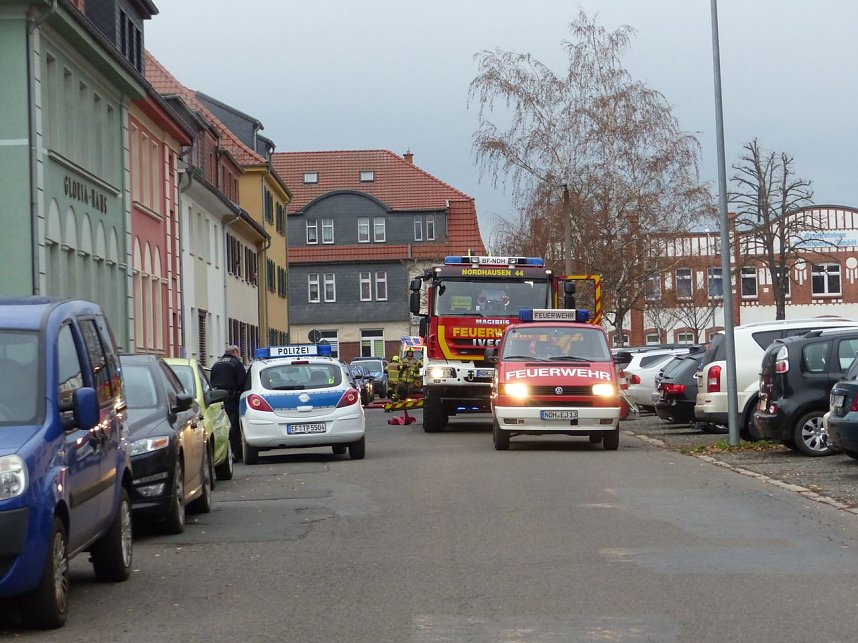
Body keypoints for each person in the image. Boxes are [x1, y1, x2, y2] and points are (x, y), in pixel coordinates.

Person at [210, 345, 247, 462]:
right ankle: (235, 452)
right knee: (234, 425)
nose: (239, 355)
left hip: (217, 398)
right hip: (232, 397)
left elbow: (212, 381)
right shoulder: (236, 363)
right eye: (238, 353)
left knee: (221, 425)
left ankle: (224, 452)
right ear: (235, 352)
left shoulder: (216, 364)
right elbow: (243, 382)